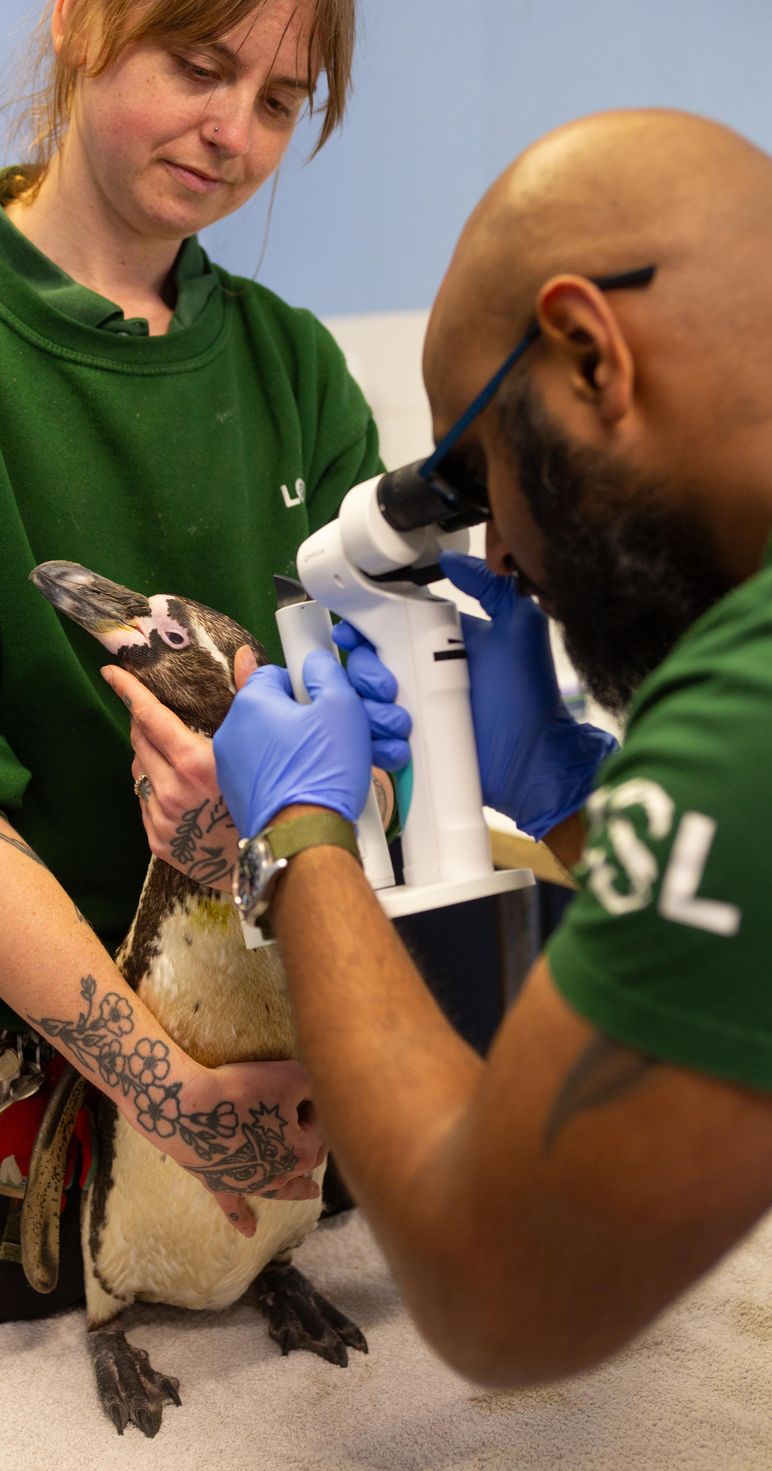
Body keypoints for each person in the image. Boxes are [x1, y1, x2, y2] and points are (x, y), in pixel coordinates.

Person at [111, 107, 772, 1387]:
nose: (503, 556)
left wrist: (301, 843)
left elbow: (500, 1289)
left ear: (588, 352)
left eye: (473, 480)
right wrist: (572, 788)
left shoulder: (743, 714)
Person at [0, 0, 379, 1358]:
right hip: (10, 1126)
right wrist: (169, 1093)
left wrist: (338, 791)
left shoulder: (294, 369)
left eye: (282, 102)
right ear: (75, 24)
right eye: (200, 66)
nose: (234, 132)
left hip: (284, 1056)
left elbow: (368, 701)